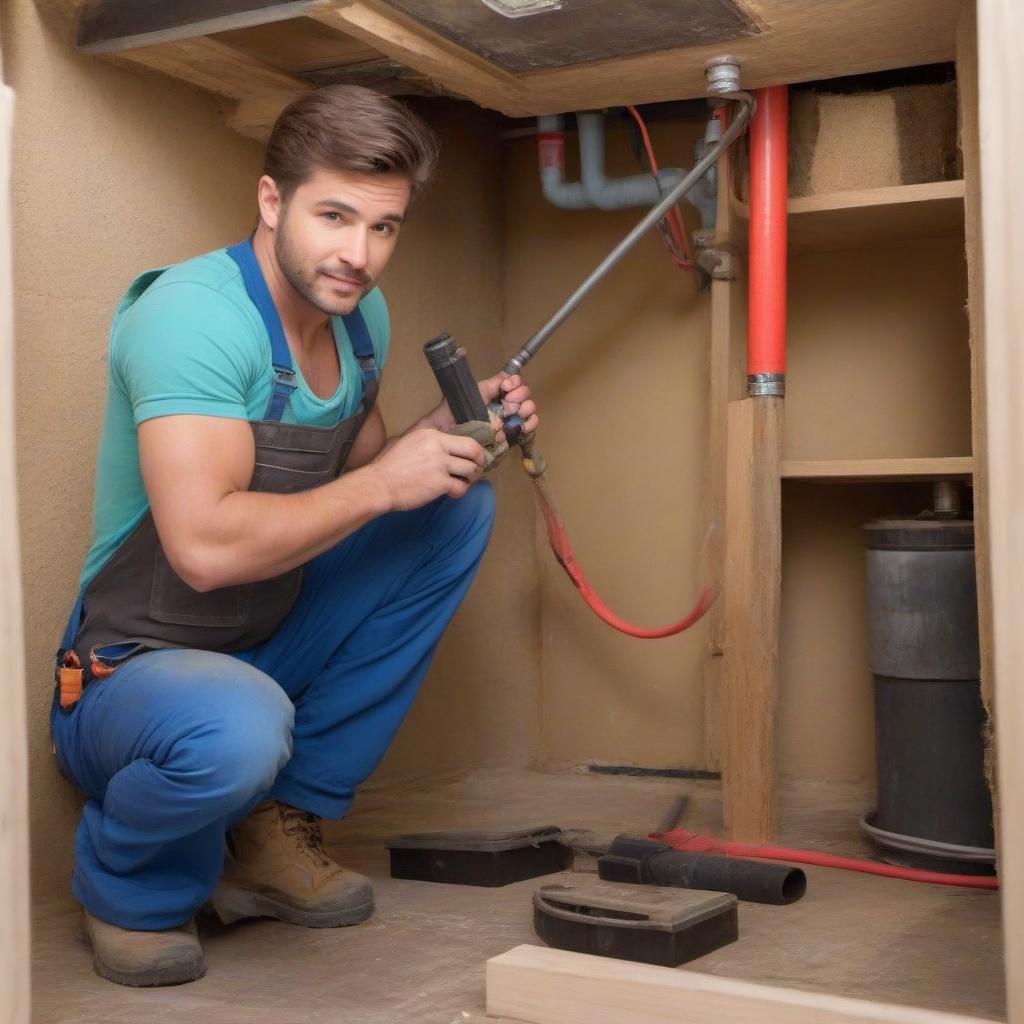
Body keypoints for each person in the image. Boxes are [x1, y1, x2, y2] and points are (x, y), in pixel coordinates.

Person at [49, 84, 538, 988]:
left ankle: (277, 824)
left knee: (454, 509)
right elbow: (200, 546)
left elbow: (365, 475)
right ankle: (128, 885)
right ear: (271, 202)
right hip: (138, 668)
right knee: (239, 726)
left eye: (384, 228)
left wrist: (448, 436)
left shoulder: (358, 320)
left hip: (268, 631)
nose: (358, 255)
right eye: (334, 216)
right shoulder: (192, 318)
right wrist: (386, 483)